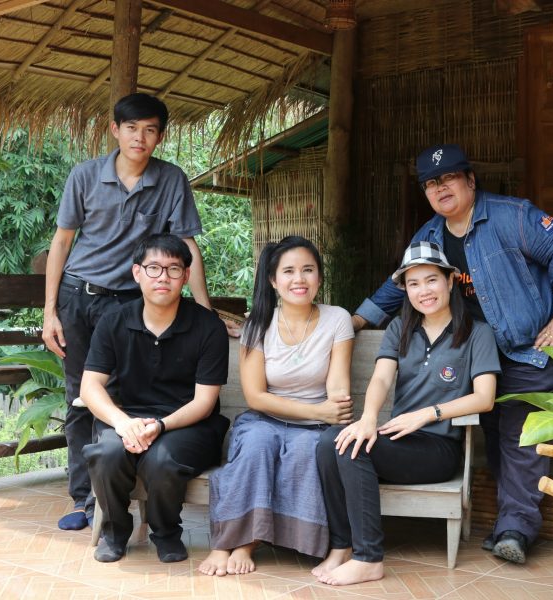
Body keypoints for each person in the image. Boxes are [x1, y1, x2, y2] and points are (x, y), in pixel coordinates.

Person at [352, 145, 553, 564]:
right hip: (472, 353)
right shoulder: (429, 236)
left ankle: (515, 529)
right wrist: (356, 320)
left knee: (520, 437)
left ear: (470, 180)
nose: (440, 188)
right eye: (431, 183)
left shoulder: (511, 216)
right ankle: (507, 522)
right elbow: (401, 284)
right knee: (496, 437)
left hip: (525, 350)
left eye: (449, 178)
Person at [42, 93, 221, 532]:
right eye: (131, 128)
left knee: (127, 396)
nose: (140, 138)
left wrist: (205, 309)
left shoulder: (171, 179)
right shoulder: (85, 175)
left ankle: (124, 498)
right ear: (115, 130)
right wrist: (49, 312)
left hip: (129, 303)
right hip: (79, 297)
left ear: (160, 136)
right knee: (81, 397)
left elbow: (188, 245)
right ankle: (84, 501)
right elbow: (61, 242)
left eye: (150, 130)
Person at [315, 241, 499, 585]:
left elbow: (484, 398)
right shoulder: (400, 328)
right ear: (405, 290)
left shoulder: (477, 332)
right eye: (413, 284)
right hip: (398, 439)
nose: (423, 291)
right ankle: (342, 546)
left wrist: (428, 413)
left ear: (450, 280)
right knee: (331, 442)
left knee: (351, 448)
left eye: (431, 280)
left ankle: (368, 558)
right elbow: (382, 378)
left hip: (439, 448)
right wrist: (369, 419)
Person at [198, 236, 354, 577]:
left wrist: (329, 409)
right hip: (265, 419)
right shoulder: (258, 324)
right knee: (256, 445)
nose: (299, 279)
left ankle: (249, 543)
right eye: (289, 271)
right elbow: (255, 397)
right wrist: (318, 411)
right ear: (273, 280)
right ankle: (227, 542)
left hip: (315, 427)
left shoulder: (337, 319)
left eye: (308, 270)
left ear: (319, 277)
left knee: (304, 450)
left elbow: (338, 388)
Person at [80, 233, 230, 563]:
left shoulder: (208, 327)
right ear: (137, 273)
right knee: (107, 452)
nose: (163, 277)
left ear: (186, 276)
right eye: (153, 268)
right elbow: (89, 387)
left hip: (190, 425)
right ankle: (115, 532)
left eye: (173, 269)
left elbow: (204, 402)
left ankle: (166, 533)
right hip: (129, 417)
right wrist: (123, 423)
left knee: (162, 459)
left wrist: (160, 426)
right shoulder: (113, 322)